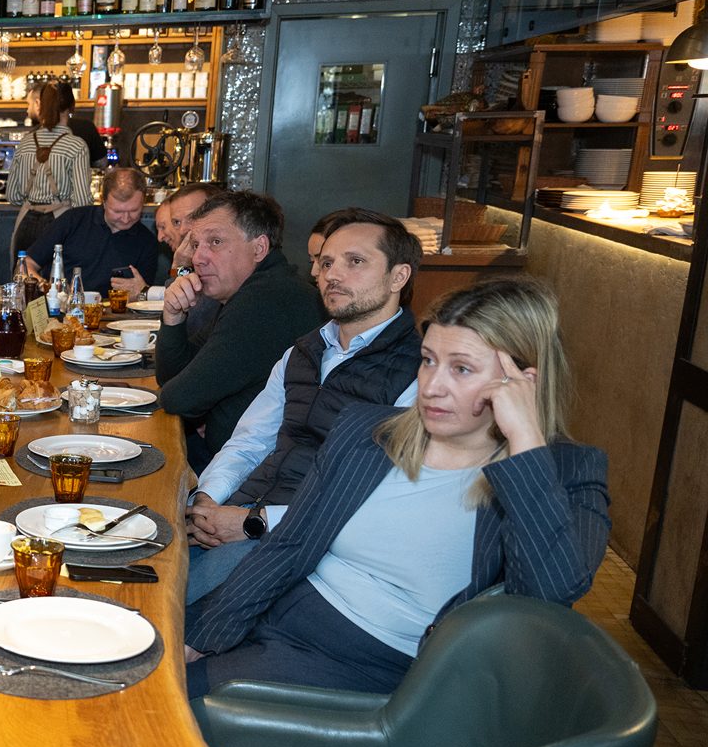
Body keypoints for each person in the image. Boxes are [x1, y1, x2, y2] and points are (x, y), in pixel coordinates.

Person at [185, 278, 609, 698]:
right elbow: (289, 545)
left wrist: (526, 446)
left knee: (165, 701)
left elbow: (545, 599)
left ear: (523, 384)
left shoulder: (566, 471)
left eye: (461, 368)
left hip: (369, 663)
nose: (432, 386)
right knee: (149, 652)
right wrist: (205, 635)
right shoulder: (366, 430)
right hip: (281, 609)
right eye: (428, 360)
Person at [186, 208, 424, 601]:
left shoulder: (418, 374)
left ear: (398, 276)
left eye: (355, 262)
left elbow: (379, 498)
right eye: (326, 263)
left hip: (311, 548)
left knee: (167, 611)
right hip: (239, 511)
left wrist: (255, 522)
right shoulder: (304, 351)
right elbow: (249, 442)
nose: (333, 275)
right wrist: (206, 500)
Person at [157, 191, 322, 469]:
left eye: (215, 242)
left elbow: (177, 399)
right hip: (237, 459)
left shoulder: (265, 299)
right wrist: (173, 316)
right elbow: (171, 377)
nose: (198, 258)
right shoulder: (251, 290)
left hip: (255, 474)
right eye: (196, 245)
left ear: (259, 249)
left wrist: (206, 410)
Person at [32, 167, 160, 295]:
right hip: (60, 303)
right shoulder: (73, 220)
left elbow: (144, 296)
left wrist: (141, 292)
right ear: (103, 201)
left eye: (134, 211)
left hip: (111, 307)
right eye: (117, 211)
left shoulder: (147, 241)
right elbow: (27, 263)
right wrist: (46, 287)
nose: (125, 219)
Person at [6, 81, 93, 257]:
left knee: (22, 273)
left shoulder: (25, 143)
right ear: (71, 107)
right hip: (60, 224)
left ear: (41, 106)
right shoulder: (76, 146)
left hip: (25, 223)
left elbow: (13, 195)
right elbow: (82, 203)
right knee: (56, 274)